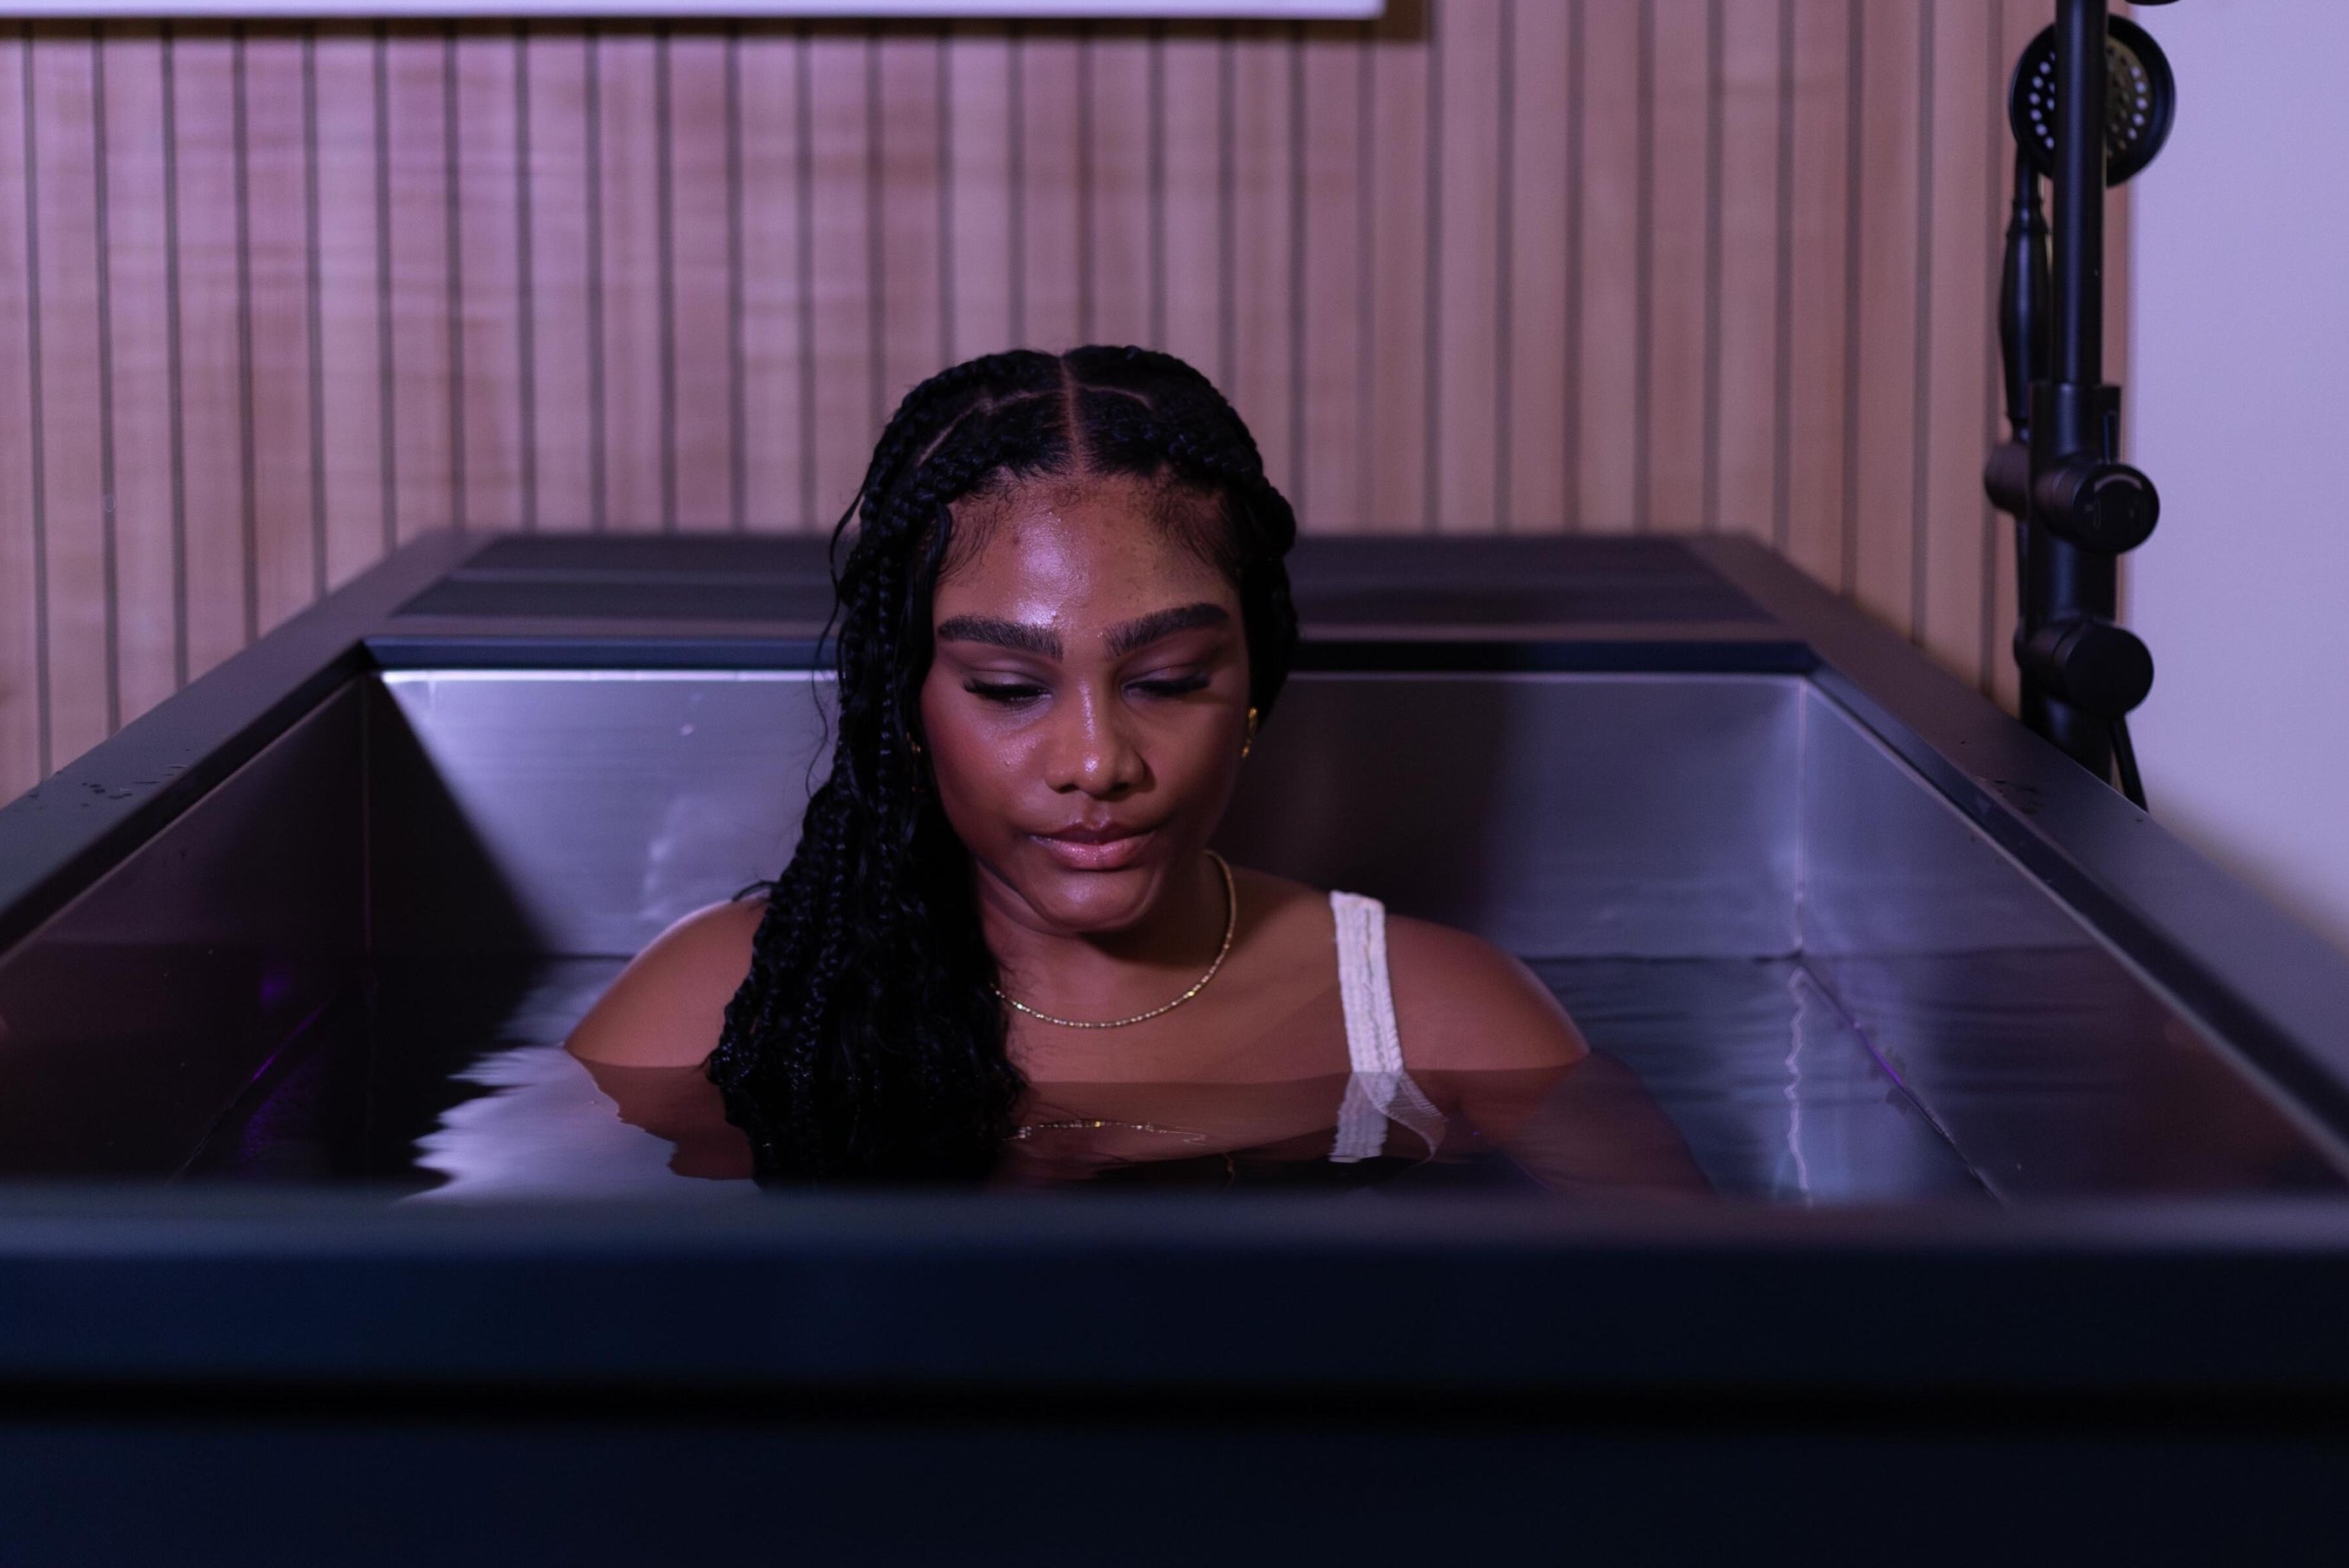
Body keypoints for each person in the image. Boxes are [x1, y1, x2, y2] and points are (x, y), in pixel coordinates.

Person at [567, 345, 1702, 1189]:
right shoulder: (717, 1007)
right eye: (1010, 690)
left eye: (1165, 680)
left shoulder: (1437, 1020)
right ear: (902, 707)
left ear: (1253, 683)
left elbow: (1717, 1358)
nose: (1100, 761)